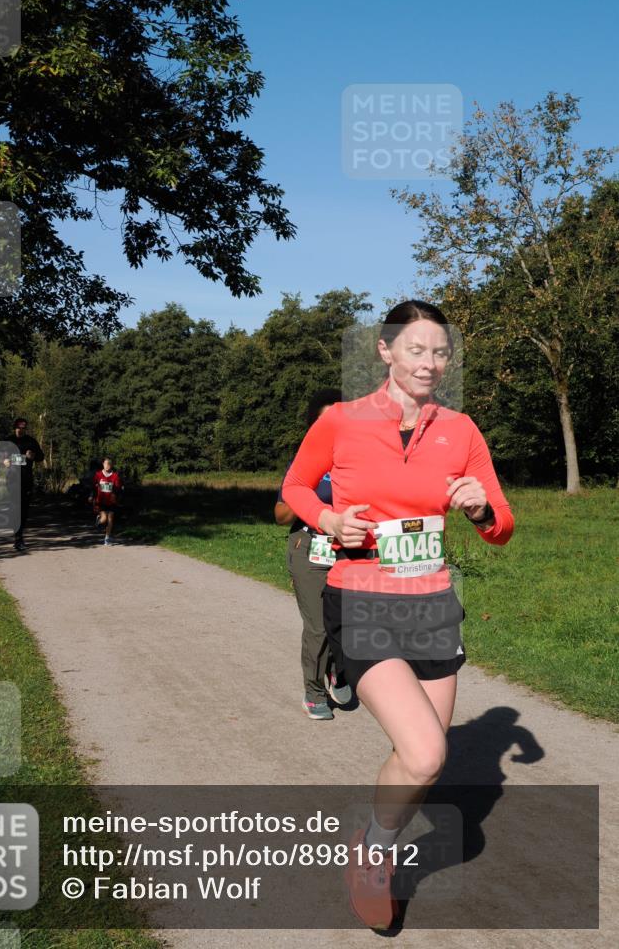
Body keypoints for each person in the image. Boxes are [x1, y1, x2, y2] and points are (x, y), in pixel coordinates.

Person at [281, 300, 514, 929]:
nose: (430, 363)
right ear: (385, 351)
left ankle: (372, 837)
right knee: (426, 754)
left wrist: (479, 509)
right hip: (362, 596)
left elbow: (502, 525)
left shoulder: (461, 430)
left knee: (421, 763)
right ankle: (376, 855)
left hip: (432, 602)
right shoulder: (342, 421)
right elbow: (295, 487)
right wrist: (328, 518)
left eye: (441, 352)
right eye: (417, 349)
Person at [275, 388, 352, 720]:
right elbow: (279, 516)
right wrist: (302, 500)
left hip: (349, 548)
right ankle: (314, 691)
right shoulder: (304, 462)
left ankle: (336, 669)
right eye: (324, 421)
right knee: (319, 624)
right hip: (309, 547)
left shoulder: (359, 461)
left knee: (348, 620)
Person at [3, 418, 45, 550]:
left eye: (23, 428)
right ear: (14, 427)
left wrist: (33, 457)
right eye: (18, 428)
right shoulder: (8, 441)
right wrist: (3, 461)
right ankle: (18, 536)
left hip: (26, 479)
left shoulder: (31, 441)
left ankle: (19, 536)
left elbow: (41, 457)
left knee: (24, 509)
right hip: (12, 479)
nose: (21, 430)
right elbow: (1, 457)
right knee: (14, 508)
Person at [90, 456, 122, 545]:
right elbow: (93, 487)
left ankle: (107, 539)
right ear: (103, 464)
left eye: (109, 464)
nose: (108, 465)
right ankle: (99, 521)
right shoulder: (98, 475)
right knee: (104, 519)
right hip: (101, 500)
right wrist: (91, 496)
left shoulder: (115, 476)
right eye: (106, 463)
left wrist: (117, 494)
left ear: (111, 465)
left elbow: (118, 488)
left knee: (111, 519)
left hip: (111, 501)